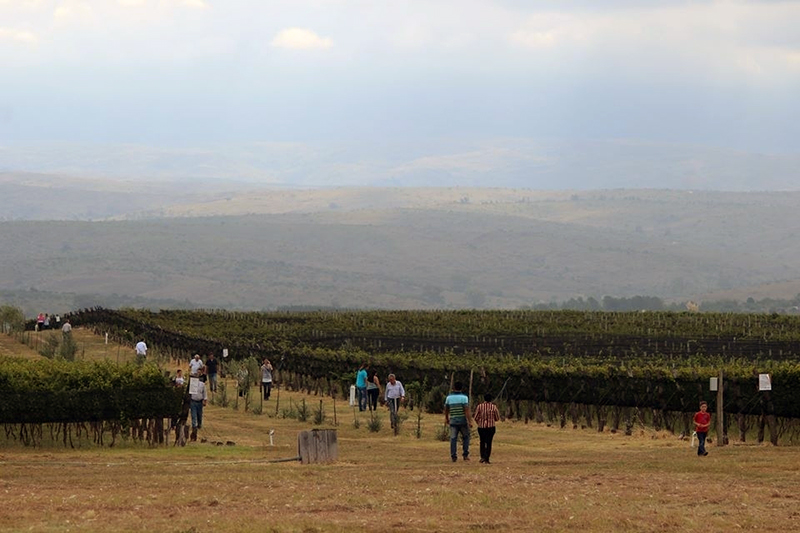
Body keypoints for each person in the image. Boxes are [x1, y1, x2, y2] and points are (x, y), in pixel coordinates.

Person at [445, 381, 472, 462]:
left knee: (453, 439)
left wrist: (447, 418)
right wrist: (469, 421)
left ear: (454, 388)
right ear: (461, 388)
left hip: (453, 421)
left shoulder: (449, 398)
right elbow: (466, 410)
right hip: (462, 421)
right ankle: (465, 455)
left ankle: (453, 456)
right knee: (466, 437)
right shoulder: (464, 398)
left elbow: (446, 409)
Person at [473, 393, 500, 464]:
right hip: (491, 427)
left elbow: (475, 417)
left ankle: (482, 457)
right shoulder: (494, 407)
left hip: (481, 427)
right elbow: (497, 418)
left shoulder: (479, 406)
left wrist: (479, 423)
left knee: (482, 441)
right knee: (489, 442)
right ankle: (487, 458)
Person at [190, 372, 208, 442]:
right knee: (194, 416)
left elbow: (204, 393)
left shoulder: (202, 385)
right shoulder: (191, 385)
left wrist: (205, 400)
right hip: (193, 402)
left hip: (199, 402)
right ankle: (194, 428)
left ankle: (199, 425)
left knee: (199, 415)